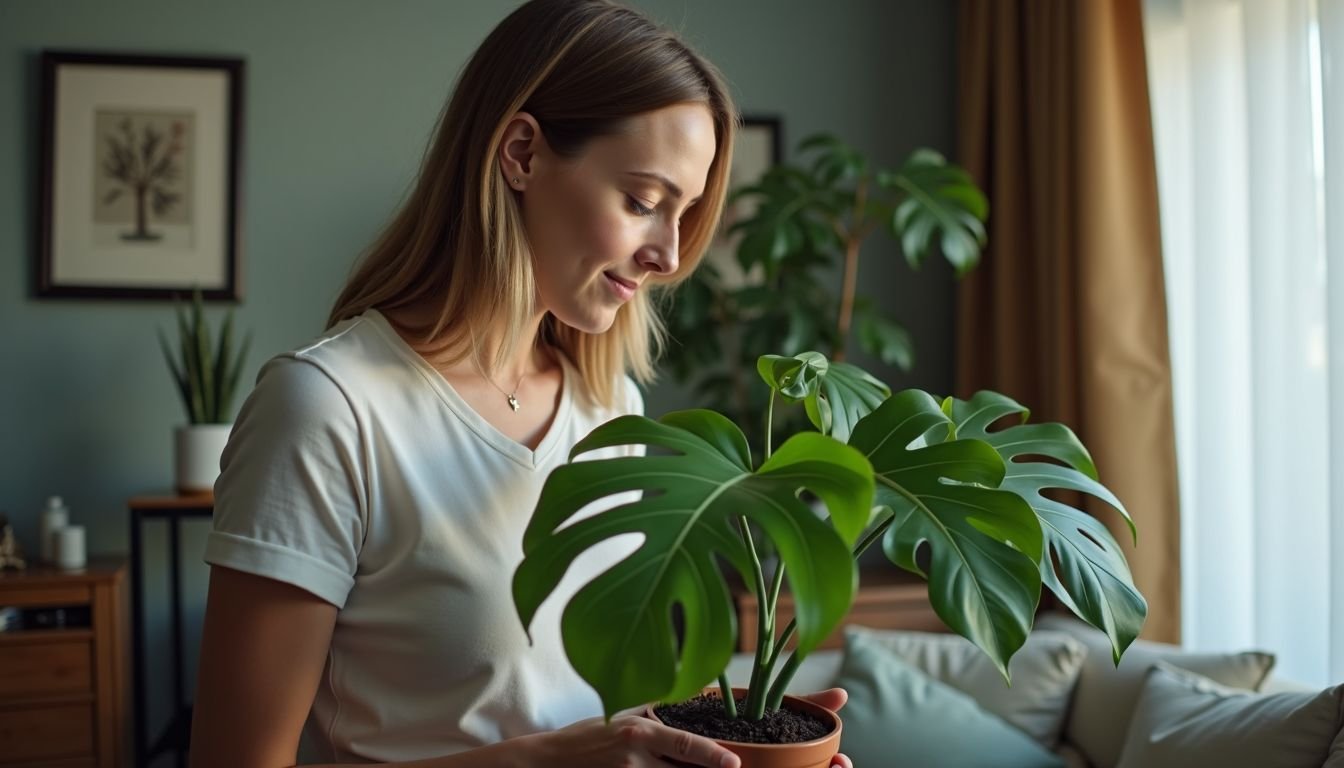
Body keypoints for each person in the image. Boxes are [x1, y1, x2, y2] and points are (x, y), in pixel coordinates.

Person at [188, 1, 853, 766]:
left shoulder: (612, 408)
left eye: (685, 212)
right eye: (642, 202)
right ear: (522, 154)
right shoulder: (328, 410)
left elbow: (599, 714)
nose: (669, 254)